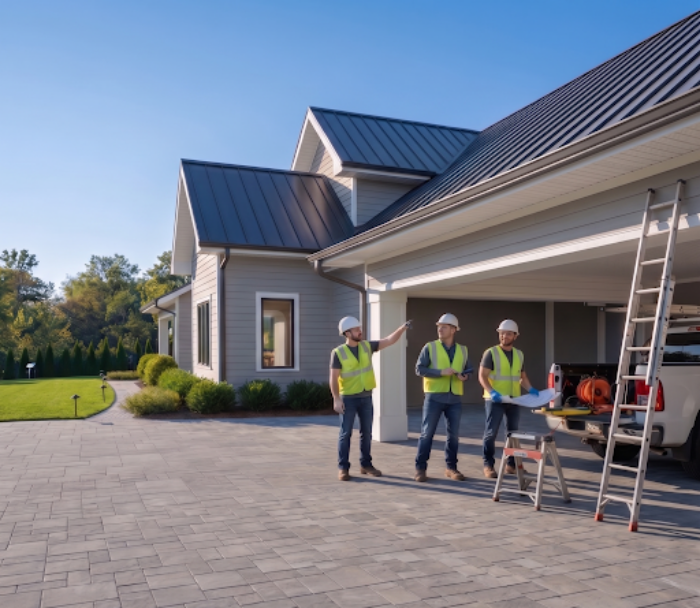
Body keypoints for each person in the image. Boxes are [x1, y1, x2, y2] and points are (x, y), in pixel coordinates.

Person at [330, 315, 410, 481]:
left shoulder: (366, 346)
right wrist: (336, 399)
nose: (360, 331)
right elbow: (333, 377)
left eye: (360, 328)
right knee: (345, 434)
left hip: (366, 397)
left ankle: (366, 464)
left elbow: (388, 341)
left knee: (366, 433)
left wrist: (402, 329)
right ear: (347, 332)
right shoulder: (338, 352)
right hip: (348, 399)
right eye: (357, 329)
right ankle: (343, 468)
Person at [414, 313, 472, 483]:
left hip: (454, 398)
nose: (440, 329)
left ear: (454, 330)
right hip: (434, 396)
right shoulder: (430, 347)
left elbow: (468, 370)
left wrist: (464, 377)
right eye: (439, 326)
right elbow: (419, 369)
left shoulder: (463, 349)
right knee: (427, 434)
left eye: (444, 326)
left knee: (453, 436)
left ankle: (451, 468)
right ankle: (420, 469)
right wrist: (440, 372)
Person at [479, 319, 539, 479]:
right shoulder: (490, 353)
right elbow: (482, 376)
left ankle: (511, 465)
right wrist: (491, 392)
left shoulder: (519, 354)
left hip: (514, 401)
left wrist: (531, 389)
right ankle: (488, 465)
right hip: (495, 400)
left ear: (515, 336)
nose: (505, 336)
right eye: (502, 333)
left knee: (513, 434)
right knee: (491, 433)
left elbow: (522, 377)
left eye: (508, 334)